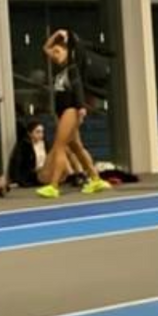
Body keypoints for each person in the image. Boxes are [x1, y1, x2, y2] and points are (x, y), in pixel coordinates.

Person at [37, 30, 107, 198]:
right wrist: (57, 34)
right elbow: (45, 48)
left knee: (60, 147)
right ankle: (96, 179)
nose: (55, 55)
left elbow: (78, 88)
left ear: (67, 51)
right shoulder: (61, 70)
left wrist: (81, 108)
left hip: (71, 109)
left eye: (58, 51)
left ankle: (53, 186)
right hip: (62, 111)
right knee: (76, 147)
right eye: (54, 52)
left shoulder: (72, 67)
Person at [4, 119, 49, 190]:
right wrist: (17, 179)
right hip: (32, 174)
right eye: (37, 132)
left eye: (42, 132)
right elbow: (17, 163)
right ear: (29, 133)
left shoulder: (44, 143)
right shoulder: (24, 145)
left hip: (45, 171)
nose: (41, 135)